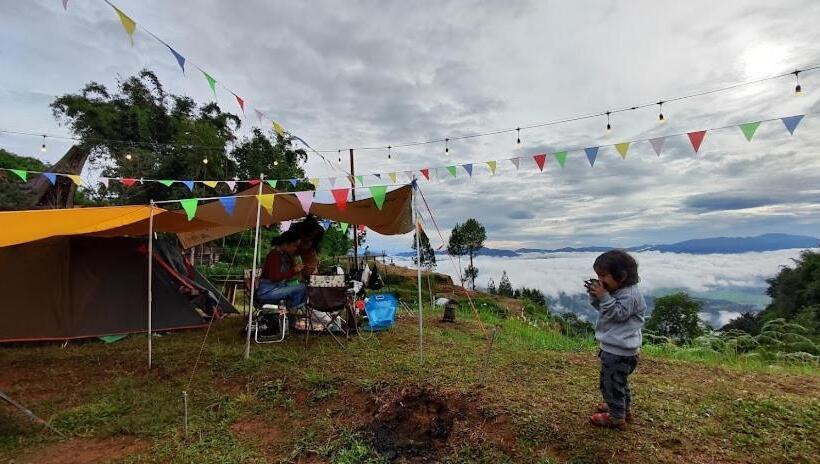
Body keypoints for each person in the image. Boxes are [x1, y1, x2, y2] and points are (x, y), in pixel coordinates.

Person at [586, 249, 646, 429]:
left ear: (621, 276)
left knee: (610, 385)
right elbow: (604, 309)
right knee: (618, 383)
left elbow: (616, 314)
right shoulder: (620, 291)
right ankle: (621, 407)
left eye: (603, 275)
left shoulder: (630, 295)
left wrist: (604, 296)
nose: (600, 280)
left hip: (618, 352)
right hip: (618, 349)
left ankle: (616, 417)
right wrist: (596, 295)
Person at [256, 230, 306, 309]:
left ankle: (291, 311)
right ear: (285, 244)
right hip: (268, 291)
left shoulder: (284, 256)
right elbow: (275, 277)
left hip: (277, 287)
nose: (295, 249)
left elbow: (286, 277)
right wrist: (294, 271)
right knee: (302, 287)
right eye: (294, 245)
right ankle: (292, 312)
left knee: (299, 285)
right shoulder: (274, 255)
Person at [290, 215, 324, 281]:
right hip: (294, 247)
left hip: (310, 249)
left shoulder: (320, 231)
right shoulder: (294, 229)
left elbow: (316, 245)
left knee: (311, 270)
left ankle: (309, 282)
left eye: (312, 235)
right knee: (290, 267)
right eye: (308, 235)